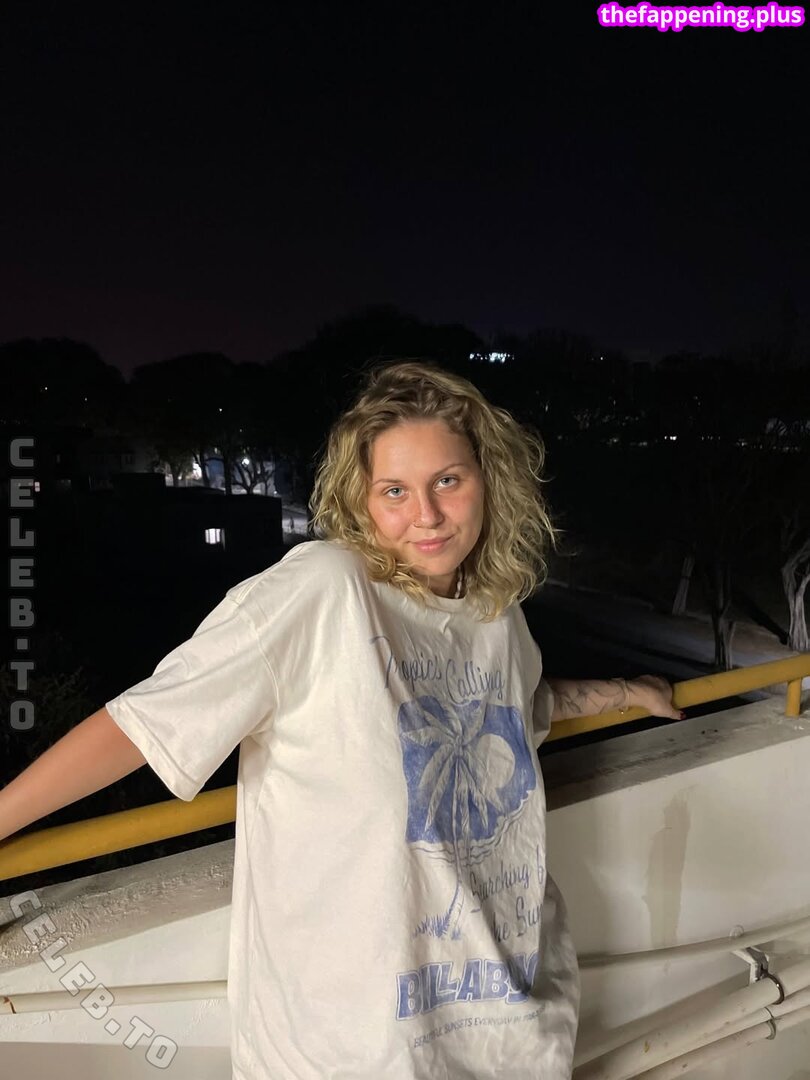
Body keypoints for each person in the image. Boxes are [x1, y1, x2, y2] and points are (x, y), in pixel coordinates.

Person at [0, 361, 679, 1079]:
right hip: (351, 1054)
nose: (426, 514)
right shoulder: (326, 589)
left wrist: (626, 691)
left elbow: (520, 706)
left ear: (489, 480)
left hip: (514, 1039)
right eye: (395, 491)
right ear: (362, 500)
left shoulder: (497, 617)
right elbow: (144, 724)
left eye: (448, 480)